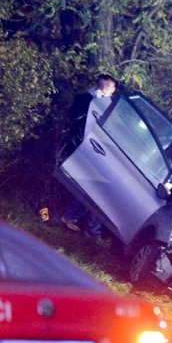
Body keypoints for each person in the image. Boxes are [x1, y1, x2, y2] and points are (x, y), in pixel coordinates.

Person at [61, 74, 117, 236]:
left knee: (93, 187)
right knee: (88, 186)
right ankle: (75, 220)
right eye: (103, 86)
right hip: (81, 147)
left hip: (99, 151)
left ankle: (77, 220)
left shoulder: (112, 106)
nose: (105, 89)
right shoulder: (85, 99)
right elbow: (74, 117)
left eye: (109, 87)